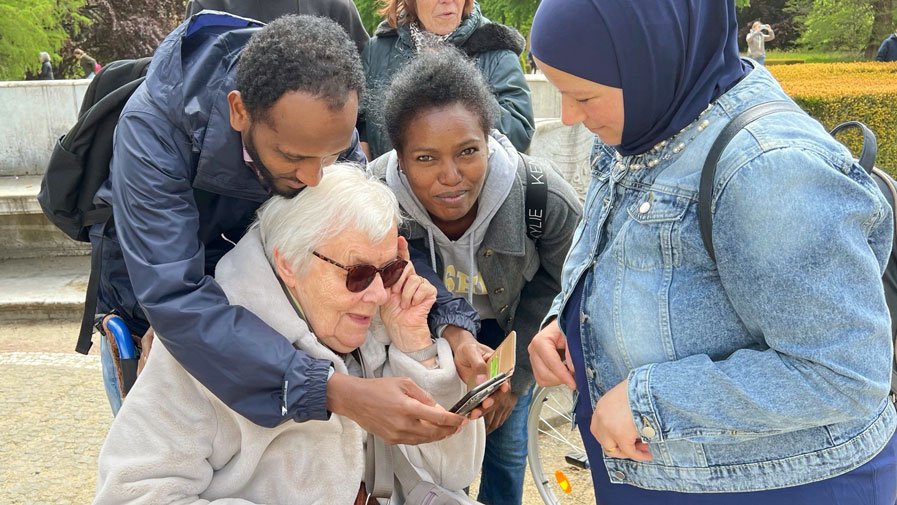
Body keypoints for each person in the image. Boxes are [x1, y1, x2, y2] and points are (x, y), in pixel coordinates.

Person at [527, 0, 897, 503]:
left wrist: (650, 402)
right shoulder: (652, 115)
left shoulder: (768, 170)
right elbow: (605, 241)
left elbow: (845, 373)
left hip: (777, 485)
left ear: (650, 59)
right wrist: (563, 316)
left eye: (584, 97)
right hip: (670, 472)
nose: (569, 117)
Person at [91, 12, 487, 446]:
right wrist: (335, 391)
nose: (315, 178)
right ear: (239, 111)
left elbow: (370, 240)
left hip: (273, 310)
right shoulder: (152, 132)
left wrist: (450, 322)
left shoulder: (318, 126)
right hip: (158, 315)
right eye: (293, 158)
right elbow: (174, 294)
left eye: (335, 155)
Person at [94, 165, 486, 504]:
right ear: (287, 263)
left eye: (390, 270)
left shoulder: (385, 313)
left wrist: (417, 348)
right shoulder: (204, 345)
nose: (379, 292)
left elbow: (453, 473)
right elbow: (130, 492)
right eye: (358, 274)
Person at [369, 48, 582, 505]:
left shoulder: (541, 196)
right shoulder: (374, 199)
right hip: (426, 341)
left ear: (489, 139)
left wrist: (518, 375)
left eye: (468, 152)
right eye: (426, 159)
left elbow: (568, 280)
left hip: (512, 334)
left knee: (505, 455)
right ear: (399, 157)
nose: (451, 177)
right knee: (445, 460)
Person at [358, 0, 534, 161]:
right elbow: (360, 126)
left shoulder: (496, 48)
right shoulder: (377, 50)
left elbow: (519, 132)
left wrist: (456, 78)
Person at [184, 0, 370, 52]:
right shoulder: (209, 6)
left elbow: (362, 79)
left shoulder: (335, 5)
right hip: (229, 138)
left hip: (318, 141)